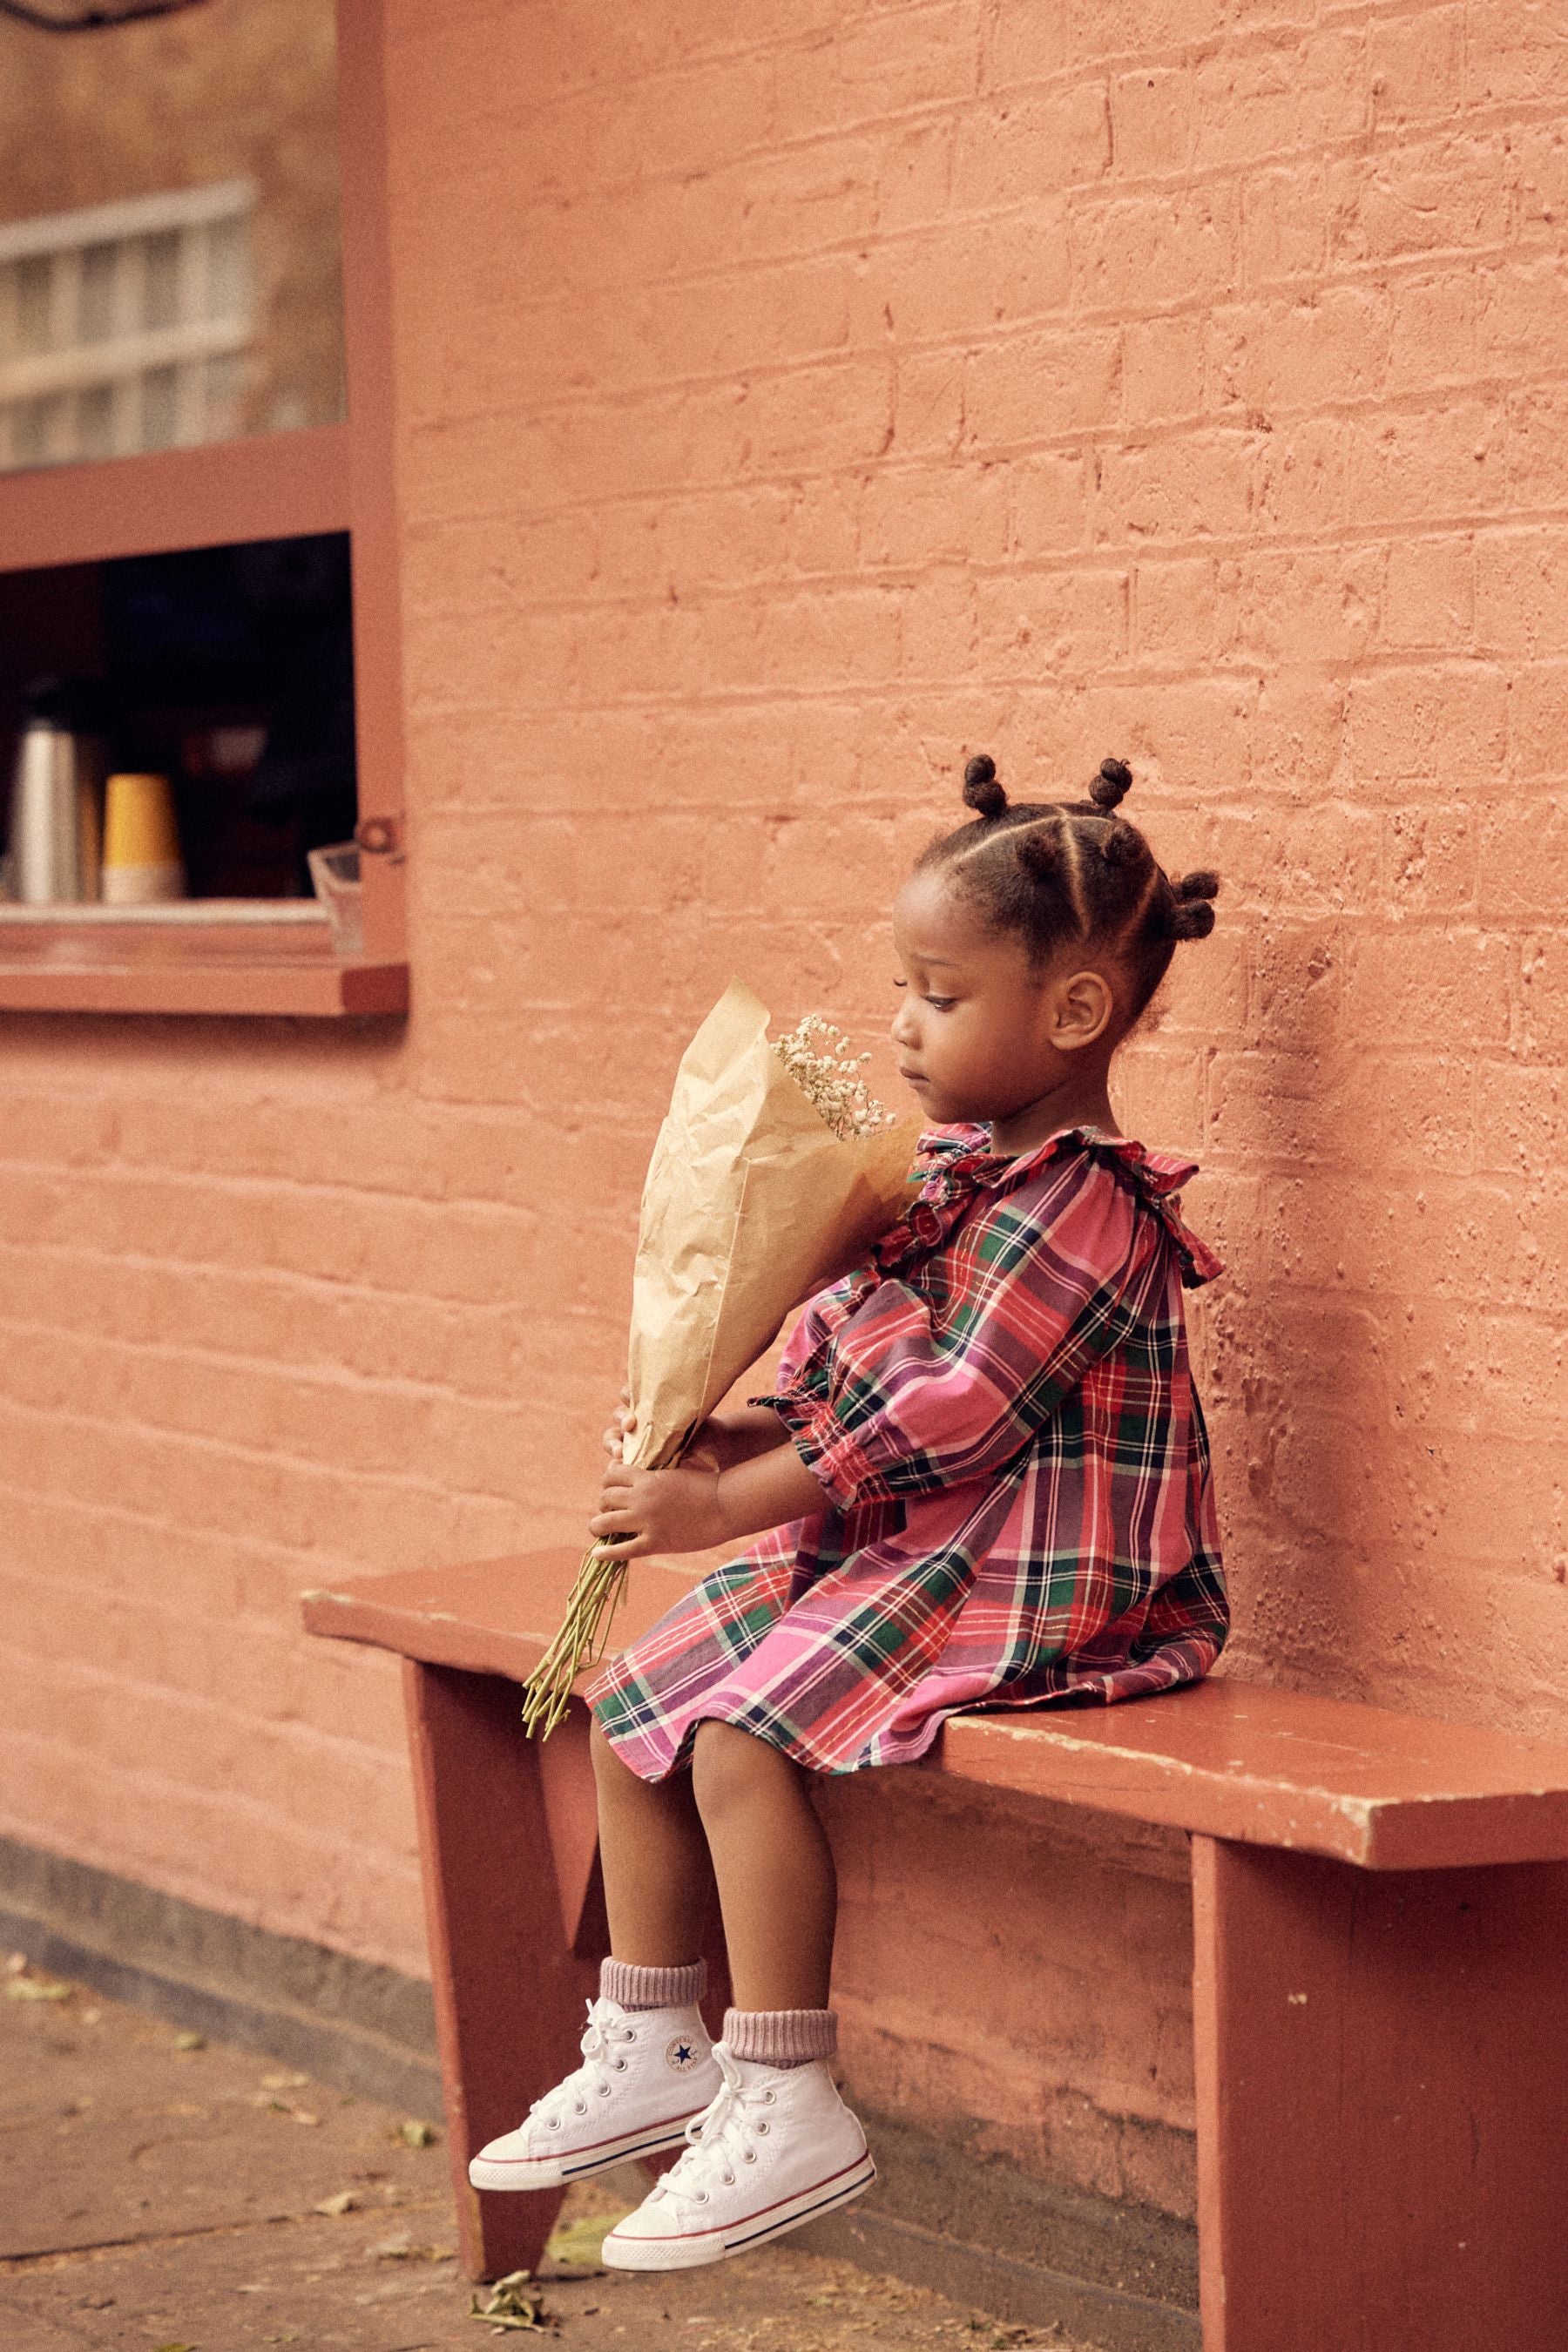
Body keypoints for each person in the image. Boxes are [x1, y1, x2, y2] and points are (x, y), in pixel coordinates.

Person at [469, 754, 1229, 2271]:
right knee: (634, 1699)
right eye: (904, 985)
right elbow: (858, 1376)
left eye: (938, 994)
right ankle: (651, 2036)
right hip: (910, 1541)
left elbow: (954, 1411)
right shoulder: (948, 1174)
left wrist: (722, 1504)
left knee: (748, 1734)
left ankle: (785, 2082)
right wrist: (714, 1423)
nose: (898, 1022)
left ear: (1071, 1013)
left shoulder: (1084, 1199)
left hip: (1046, 1570)